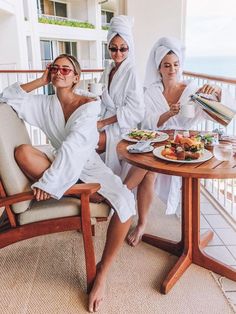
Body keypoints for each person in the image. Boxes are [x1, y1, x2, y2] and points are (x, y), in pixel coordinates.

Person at [0, 54, 136, 312]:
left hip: (85, 164)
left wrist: (49, 182)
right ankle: (75, 193)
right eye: (55, 68)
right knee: (23, 153)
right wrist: (40, 81)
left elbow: (74, 147)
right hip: (59, 161)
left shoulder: (89, 106)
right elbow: (7, 96)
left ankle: (103, 273)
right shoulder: (45, 103)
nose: (60, 72)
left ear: (76, 77)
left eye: (66, 69)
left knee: (125, 203)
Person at [124, 37, 234, 247]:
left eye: (175, 64)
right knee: (148, 169)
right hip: (159, 141)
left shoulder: (192, 91)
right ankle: (142, 224)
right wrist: (167, 114)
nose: (172, 69)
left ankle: (119, 192)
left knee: (170, 172)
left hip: (186, 145)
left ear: (180, 65)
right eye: (166, 65)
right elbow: (146, 122)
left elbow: (224, 117)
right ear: (159, 68)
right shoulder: (152, 92)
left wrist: (218, 92)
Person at [97, 15, 145, 177]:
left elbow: (136, 110)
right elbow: (98, 96)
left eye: (123, 48)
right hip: (104, 123)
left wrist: (103, 122)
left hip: (121, 129)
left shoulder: (132, 72)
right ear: (108, 47)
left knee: (86, 142)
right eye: (113, 48)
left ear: (129, 47)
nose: (118, 53)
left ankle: (101, 186)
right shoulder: (109, 69)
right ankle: (90, 183)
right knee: (77, 136)